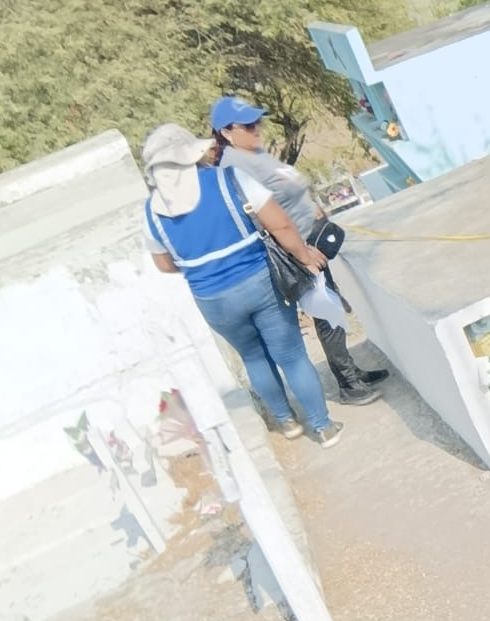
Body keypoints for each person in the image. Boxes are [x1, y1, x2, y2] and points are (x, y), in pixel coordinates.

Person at [140, 123, 345, 448]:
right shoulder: (228, 179)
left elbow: (164, 264)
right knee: (291, 355)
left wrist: (206, 266)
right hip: (260, 283)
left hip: (212, 299)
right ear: (192, 154)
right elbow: (280, 225)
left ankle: (286, 422)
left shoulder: (151, 212)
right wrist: (304, 255)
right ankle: (323, 427)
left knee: (253, 357)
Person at [210, 96, 388, 406]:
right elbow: (261, 219)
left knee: (331, 308)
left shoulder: (254, 154)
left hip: (311, 239)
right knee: (327, 312)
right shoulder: (234, 167)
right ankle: (348, 383)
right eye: (248, 125)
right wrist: (300, 252)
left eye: (257, 122)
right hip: (298, 249)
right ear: (226, 132)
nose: (257, 129)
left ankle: (351, 370)